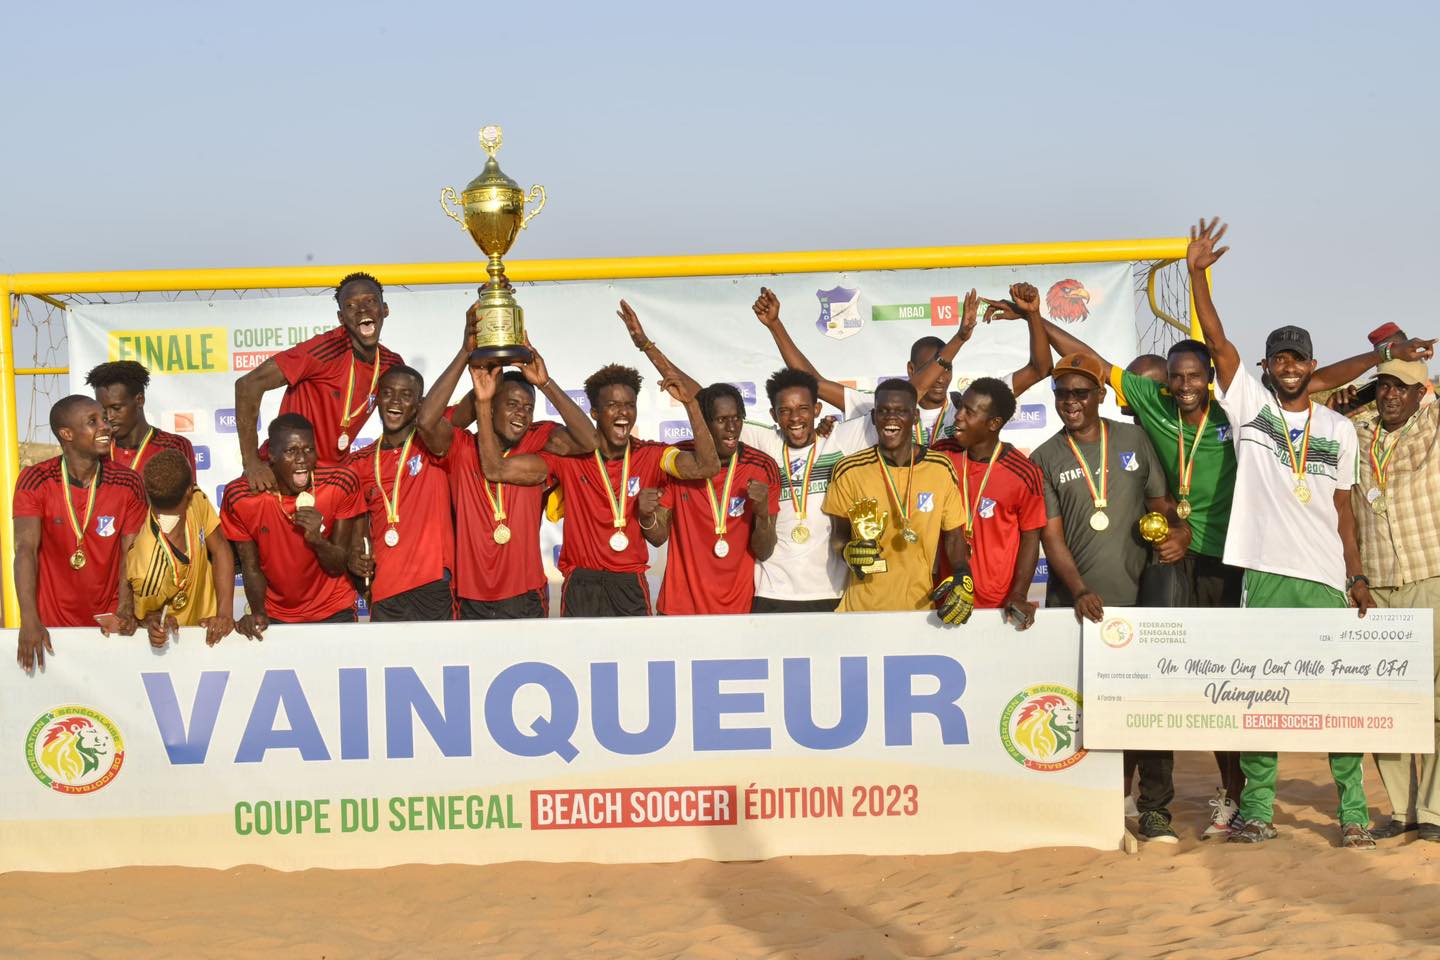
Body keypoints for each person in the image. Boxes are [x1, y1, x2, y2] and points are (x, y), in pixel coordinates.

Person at [1185, 217, 1383, 850]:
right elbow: (1217, 343)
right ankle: (1261, 809)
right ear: (1268, 366)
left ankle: (1354, 812)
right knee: (1262, 695)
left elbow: (1344, 509)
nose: (1289, 367)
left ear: (1313, 365)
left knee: (1339, 699)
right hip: (1265, 573)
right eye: (1279, 359)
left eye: (1298, 359)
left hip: (1325, 577)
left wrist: (1354, 575)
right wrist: (1197, 275)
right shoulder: (1249, 405)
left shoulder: (1340, 429)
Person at [1039, 323, 1248, 838]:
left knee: (1214, 682)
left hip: (1216, 562)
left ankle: (1231, 794)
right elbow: (1086, 357)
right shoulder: (1147, 412)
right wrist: (1034, 317)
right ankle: (1124, 799)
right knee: (1134, 689)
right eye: (1176, 377)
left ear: (1209, 378)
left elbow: (1229, 353)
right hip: (1165, 565)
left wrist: (1197, 277)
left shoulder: (1235, 414)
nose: (1183, 384)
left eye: (1193, 375)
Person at [1030, 353, 1189, 843]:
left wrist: (1178, 532)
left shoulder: (1133, 439)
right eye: (1062, 395)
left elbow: (1159, 506)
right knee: (1084, 710)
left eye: (1081, 393)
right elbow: (1050, 537)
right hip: (1080, 604)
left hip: (1143, 596)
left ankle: (1155, 809)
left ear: (1101, 395)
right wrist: (1077, 588)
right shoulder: (1046, 457)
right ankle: (1099, 804)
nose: (1071, 403)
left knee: (1150, 705)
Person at [476, 301, 720, 617]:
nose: (622, 413)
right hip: (582, 584)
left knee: (635, 665)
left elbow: (707, 466)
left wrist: (691, 405)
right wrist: (544, 385)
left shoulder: (652, 456)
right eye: (612, 406)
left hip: (629, 584)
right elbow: (498, 469)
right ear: (594, 412)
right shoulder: (568, 458)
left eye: (629, 405)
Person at [415, 313, 598, 620]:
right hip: (470, 595)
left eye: (528, 407)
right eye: (511, 404)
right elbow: (425, 421)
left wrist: (546, 383)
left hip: (525, 594)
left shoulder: (538, 440)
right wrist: (464, 355)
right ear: (491, 403)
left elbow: (589, 440)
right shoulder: (460, 446)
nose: (521, 414)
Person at [754, 287, 1050, 443]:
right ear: (911, 371)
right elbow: (812, 382)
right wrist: (775, 326)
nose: (939, 377)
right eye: (930, 368)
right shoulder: (881, 410)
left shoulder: (969, 410)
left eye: (946, 368)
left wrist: (1032, 315)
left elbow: (1039, 368)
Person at [1350, 357, 1440, 843]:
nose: (1390, 395)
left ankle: (1434, 809)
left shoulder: (1433, 422)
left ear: (1419, 391)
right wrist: (1365, 387)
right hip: (1378, 585)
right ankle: (1401, 809)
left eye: (1401, 387)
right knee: (1384, 700)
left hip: (1432, 574)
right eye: (1383, 387)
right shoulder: (1357, 436)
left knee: (1438, 700)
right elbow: (1330, 404)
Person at [820, 379, 974, 623]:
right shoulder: (848, 469)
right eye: (884, 411)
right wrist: (848, 551)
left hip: (920, 613)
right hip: (859, 613)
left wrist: (963, 574)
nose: (891, 418)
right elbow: (839, 537)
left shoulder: (940, 467)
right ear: (873, 417)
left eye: (901, 411)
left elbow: (954, 536)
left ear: (914, 417)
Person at [234, 272, 404, 490]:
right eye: (351, 306)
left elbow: (414, 416)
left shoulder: (391, 364)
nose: (362, 310)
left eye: (370, 301)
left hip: (332, 480)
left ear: (385, 309)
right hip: (283, 475)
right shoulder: (325, 349)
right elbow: (248, 385)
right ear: (341, 318)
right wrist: (252, 463)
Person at [13, 395, 147, 670]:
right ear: (67, 434)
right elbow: (25, 550)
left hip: (110, 623)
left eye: (104, 419)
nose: (105, 426)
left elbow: (131, 552)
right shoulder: (36, 480)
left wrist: (126, 608)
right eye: (92, 421)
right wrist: (29, 620)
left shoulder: (128, 481)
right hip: (52, 626)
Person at [739, 367, 875, 613]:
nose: (795, 418)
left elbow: (893, 405)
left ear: (817, 409)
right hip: (773, 591)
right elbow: (711, 408)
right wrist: (648, 347)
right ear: (773, 414)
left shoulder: (839, 440)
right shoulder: (766, 443)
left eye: (803, 409)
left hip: (831, 590)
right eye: (785, 411)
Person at [642, 383, 780, 615]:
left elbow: (764, 551)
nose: (731, 428)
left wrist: (763, 512)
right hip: (679, 609)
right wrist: (646, 516)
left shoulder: (762, 467)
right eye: (722, 420)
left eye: (737, 418)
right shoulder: (680, 464)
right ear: (704, 424)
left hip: (738, 610)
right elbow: (658, 538)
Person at [220, 414, 365, 632]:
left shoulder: (340, 482)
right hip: (276, 614)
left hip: (333, 609)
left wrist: (318, 540)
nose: (302, 459)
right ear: (271, 456)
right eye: (291, 451)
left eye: (309, 450)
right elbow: (251, 568)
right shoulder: (241, 497)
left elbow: (337, 566)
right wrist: (258, 612)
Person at [344, 365, 459, 622]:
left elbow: (469, 408)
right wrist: (353, 558)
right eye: (388, 393)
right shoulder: (358, 462)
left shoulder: (433, 443)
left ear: (420, 404)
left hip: (433, 584)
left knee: (439, 659)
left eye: (406, 395)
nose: (395, 401)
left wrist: (466, 352)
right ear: (376, 400)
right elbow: (355, 528)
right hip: (384, 589)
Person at [930, 377, 1045, 629]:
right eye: (959, 407)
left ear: (994, 423)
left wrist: (1019, 594)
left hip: (996, 607)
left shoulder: (1024, 472)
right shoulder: (940, 454)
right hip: (943, 599)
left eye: (969, 412)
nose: (958, 416)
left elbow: (1030, 537)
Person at [127, 449, 235, 647]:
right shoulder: (144, 566)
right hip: (177, 647)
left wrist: (225, 615)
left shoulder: (196, 500)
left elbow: (220, 547)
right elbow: (144, 616)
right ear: (187, 490)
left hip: (214, 635)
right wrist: (155, 622)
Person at [84, 361, 196, 474]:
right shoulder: (96, 451)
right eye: (104, 410)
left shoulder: (174, 446)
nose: (109, 417)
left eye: (116, 408)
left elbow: (186, 491)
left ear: (139, 400)